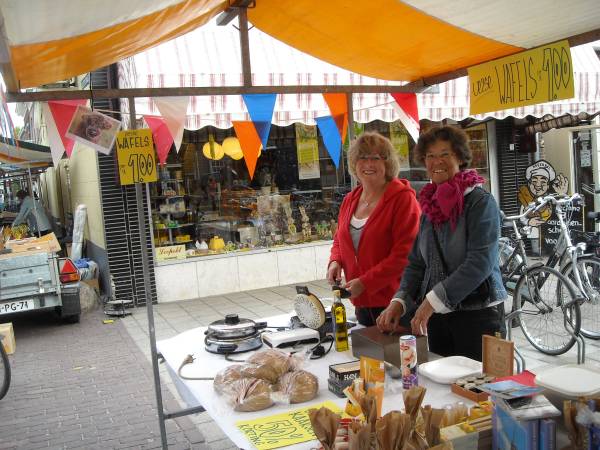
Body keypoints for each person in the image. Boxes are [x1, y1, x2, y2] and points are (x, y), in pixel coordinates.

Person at [376, 126, 507, 361]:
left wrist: (431, 301)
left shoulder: (480, 202)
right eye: (430, 155)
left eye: (445, 154)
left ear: (460, 157)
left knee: (480, 384)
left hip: (478, 317)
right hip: (437, 319)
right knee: (440, 381)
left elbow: (479, 263)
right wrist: (399, 301)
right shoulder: (430, 205)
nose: (437, 161)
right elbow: (417, 263)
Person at [327, 132, 420, 327]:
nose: (368, 164)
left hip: (396, 304)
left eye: (376, 158)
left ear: (387, 163)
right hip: (361, 303)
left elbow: (405, 255)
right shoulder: (350, 200)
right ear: (354, 163)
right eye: (362, 157)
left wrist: (365, 282)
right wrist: (335, 261)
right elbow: (339, 239)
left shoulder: (403, 199)